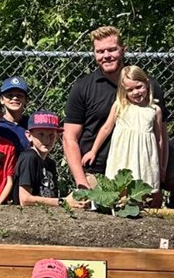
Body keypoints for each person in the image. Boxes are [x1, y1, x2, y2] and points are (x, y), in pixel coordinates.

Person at [64, 26, 167, 190]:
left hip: (140, 169)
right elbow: (69, 138)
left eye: (112, 50)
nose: (106, 56)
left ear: (123, 50)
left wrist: (160, 168)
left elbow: (161, 135)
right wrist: (81, 181)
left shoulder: (147, 87)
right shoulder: (83, 87)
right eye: (100, 51)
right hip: (97, 171)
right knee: (96, 203)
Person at [85, 65, 165, 190]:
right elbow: (106, 128)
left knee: (142, 189)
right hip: (122, 155)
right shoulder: (120, 106)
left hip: (144, 159)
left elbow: (159, 138)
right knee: (119, 188)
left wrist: (160, 165)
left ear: (147, 83)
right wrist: (93, 151)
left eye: (139, 87)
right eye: (130, 89)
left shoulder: (154, 110)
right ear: (124, 90)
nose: (136, 92)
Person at [12, 112, 69, 206]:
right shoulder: (29, 158)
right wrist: (62, 202)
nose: (46, 140)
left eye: (51, 135)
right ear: (29, 135)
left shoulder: (50, 163)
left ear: (57, 136)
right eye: (41, 135)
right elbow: (25, 199)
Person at [0, 76, 33, 152]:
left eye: (19, 95)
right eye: (10, 95)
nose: (15, 98)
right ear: (2, 100)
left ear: (26, 100)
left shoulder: (31, 125)